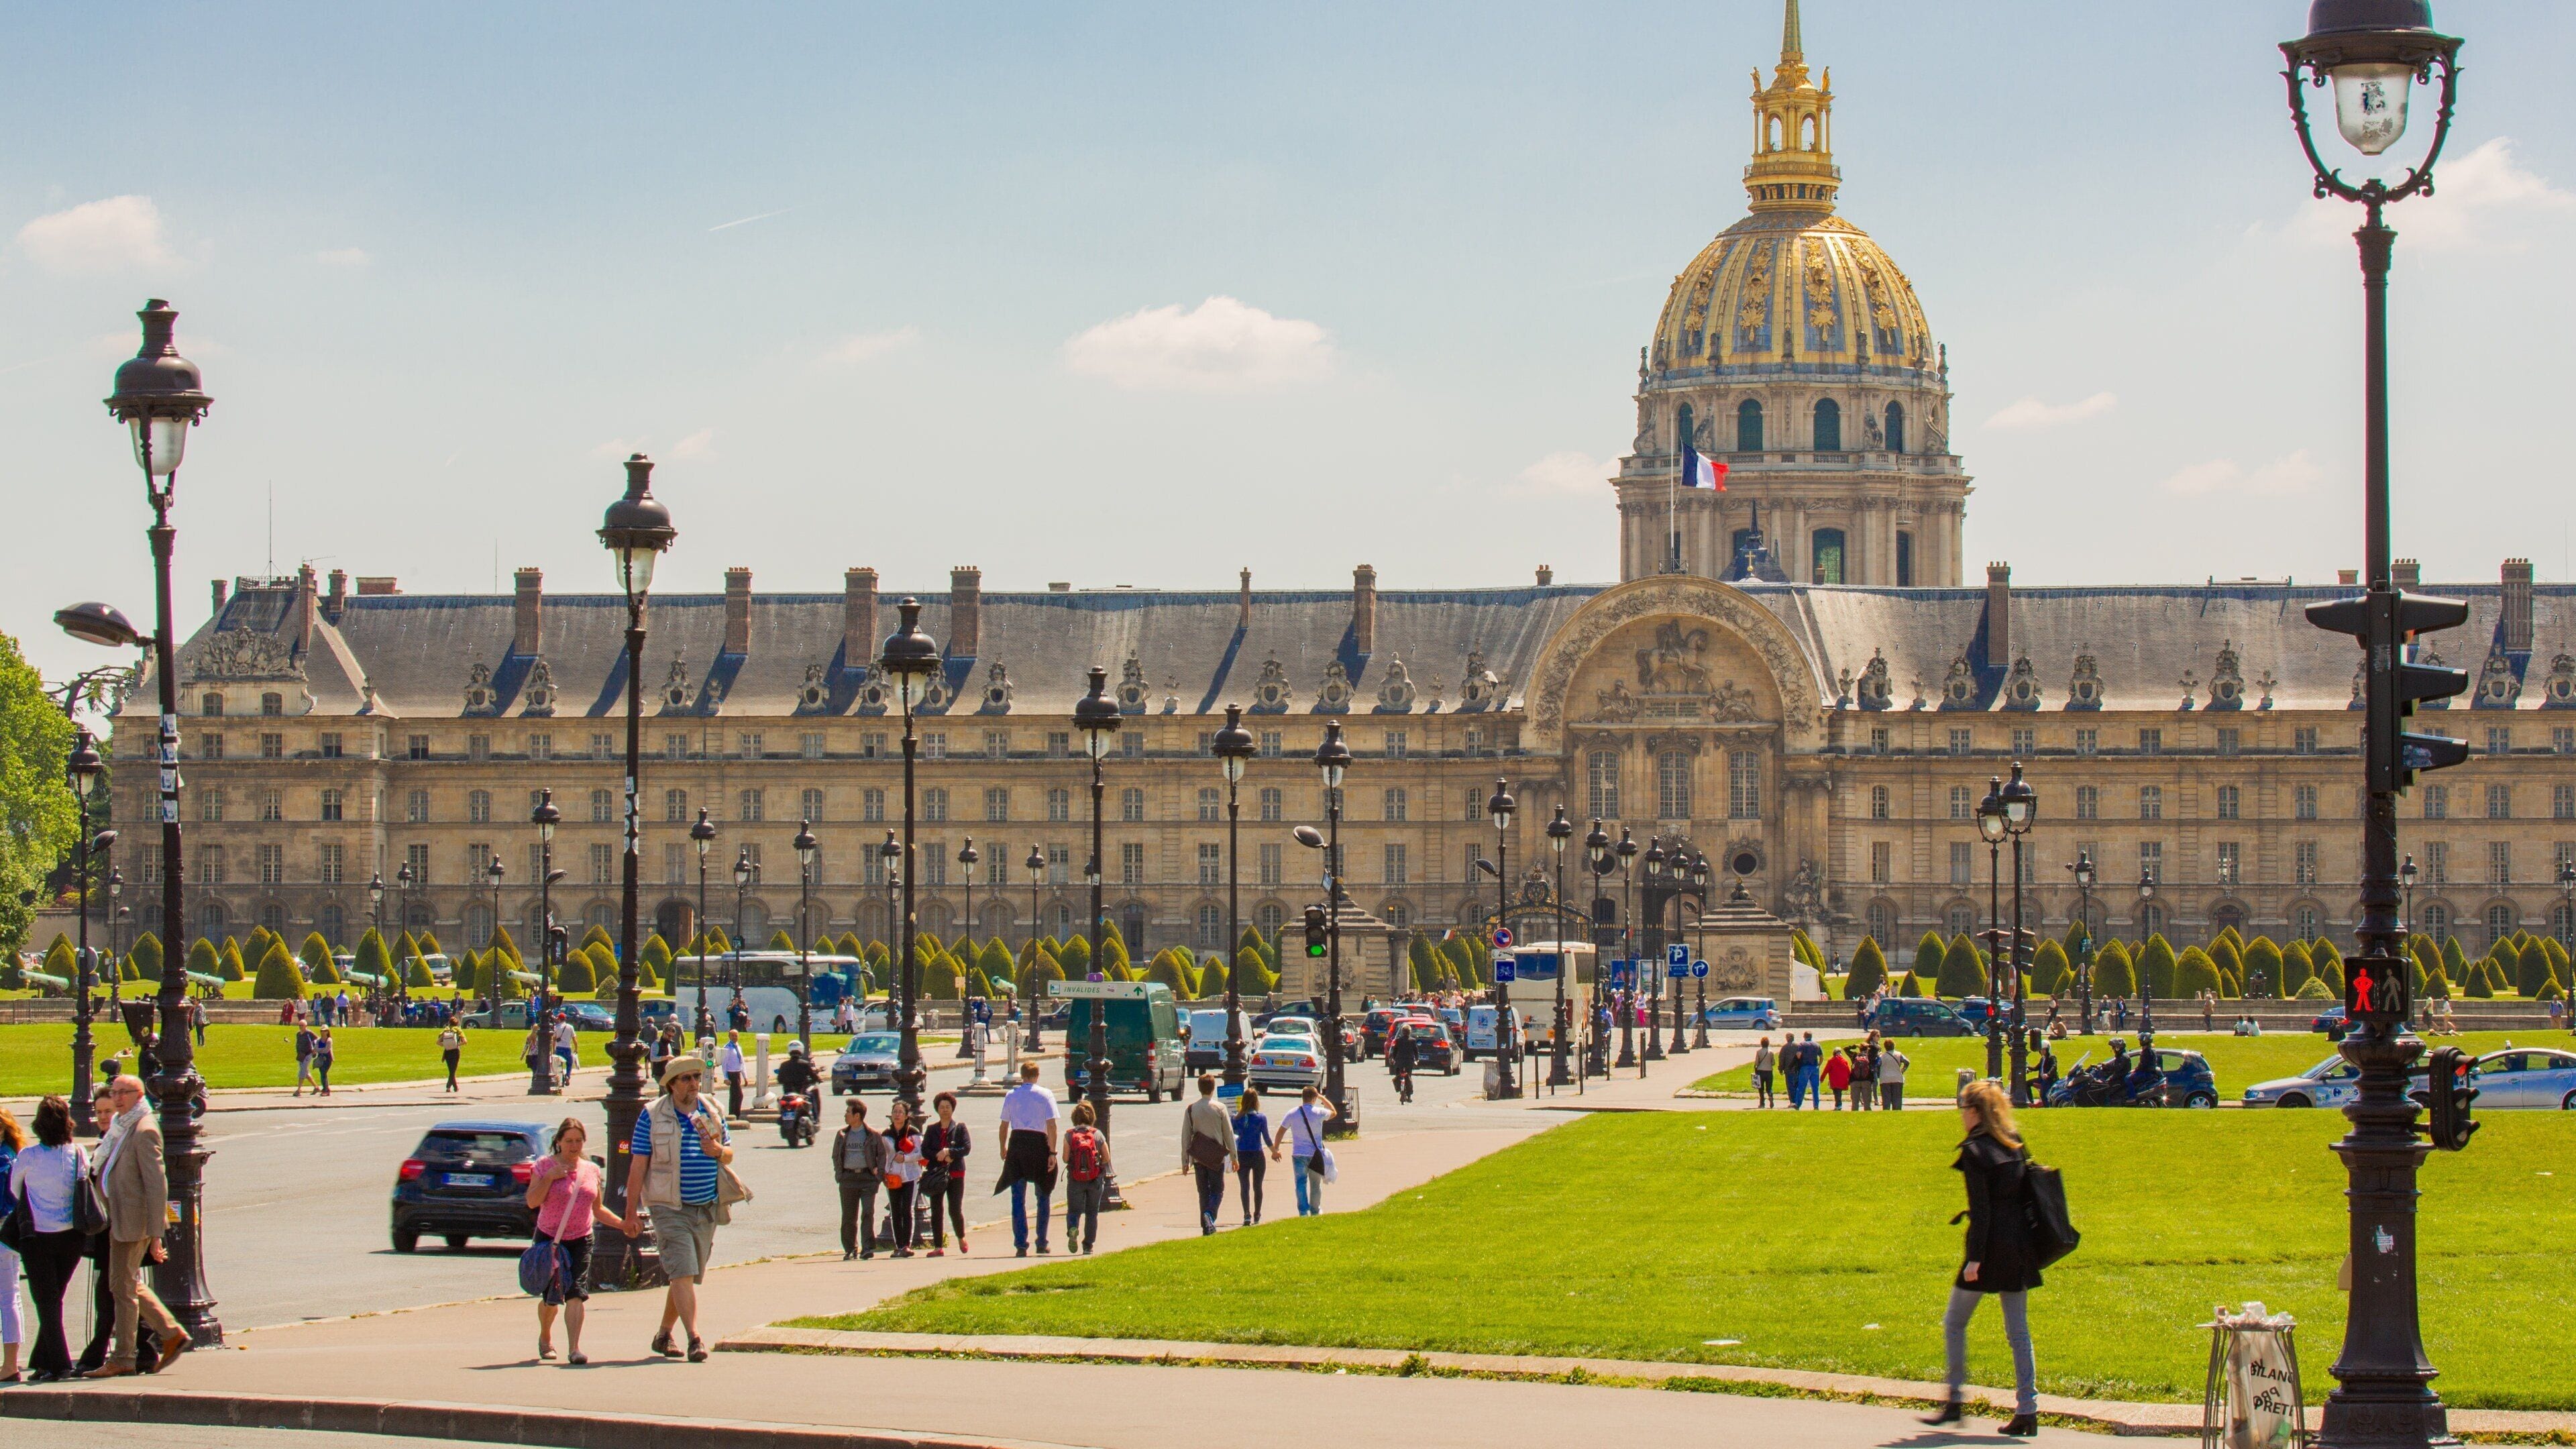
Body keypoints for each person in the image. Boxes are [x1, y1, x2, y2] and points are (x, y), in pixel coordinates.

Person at [1923, 1080, 2043, 1438]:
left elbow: (1982, 1210)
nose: (1961, 1115)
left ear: (1975, 1112)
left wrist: (1975, 1259)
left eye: (1964, 1109)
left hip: (1989, 1247)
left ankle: (1955, 1400)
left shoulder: (1976, 1151)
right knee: (2018, 1332)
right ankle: (2028, 1409)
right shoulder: (2013, 1141)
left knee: (1954, 1323)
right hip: (2019, 1244)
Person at [620, 1053, 735, 1362]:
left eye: (696, 1078)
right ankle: (695, 1338)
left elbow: (729, 1154)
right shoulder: (653, 1115)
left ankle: (663, 1335)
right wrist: (631, 1212)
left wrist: (717, 1150)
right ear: (671, 1085)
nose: (693, 1084)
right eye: (686, 1079)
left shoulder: (712, 1110)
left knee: (686, 1275)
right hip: (668, 1206)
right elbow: (638, 1165)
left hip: (707, 1205)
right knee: (683, 1270)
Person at [86, 1075, 186, 1377]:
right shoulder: (124, 1126)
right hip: (119, 1218)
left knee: (123, 1287)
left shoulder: (143, 1129)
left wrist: (157, 1235)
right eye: (114, 1092)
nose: (116, 1099)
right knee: (124, 1283)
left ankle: (124, 1357)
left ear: (138, 1094)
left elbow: (157, 1186)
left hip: (134, 1221)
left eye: (123, 1093)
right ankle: (170, 1333)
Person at [525, 1117, 623, 1364]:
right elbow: (532, 1202)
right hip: (550, 1240)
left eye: (578, 1140)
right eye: (569, 1141)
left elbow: (598, 1209)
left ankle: (574, 1349)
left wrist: (623, 1224)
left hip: (581, 1239)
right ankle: (546, 1337)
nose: (574, 1145)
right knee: (550, 1298)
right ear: (558, 1142)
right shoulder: (544, 1166)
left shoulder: (590, 1170)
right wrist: (550, 1178)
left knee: (576, 1293)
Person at [9, 1097, 91, 1382]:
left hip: (37, 1237)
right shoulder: (79, 1153)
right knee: (55, 1297)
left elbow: (16, 1189)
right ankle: (42, 1359)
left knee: (47, 1302)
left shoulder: (28, 1157)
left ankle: (60, 1365)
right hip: (72, 1235)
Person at [992, 1061, 1060, 1257]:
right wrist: (1052, 1153)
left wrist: (1003, 1147)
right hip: (1039, 1144)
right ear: (1037, 1076)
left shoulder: (1012, 1095)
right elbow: (1052, 1126)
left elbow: (1004, 1125)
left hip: (1018, 1144)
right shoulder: (1046, 1094)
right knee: (1043, 1194)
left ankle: (1021, 1244)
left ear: (1022, 1076)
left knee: (1017, 1197)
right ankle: (1042, 1241)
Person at [831, 1099, 885, 1260]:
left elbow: (882, 1155)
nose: (845, 1115)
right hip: (848, 1178)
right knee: (849, 1217)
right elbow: (835, 1155)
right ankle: (850, 1249)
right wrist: (839, 1174)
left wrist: (878, 1176)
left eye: (848, 1112)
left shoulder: (872, 1135)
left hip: (867, 1179)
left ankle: (867, 1248)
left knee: (868, 1213)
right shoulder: (842, 1134)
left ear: (857, 1115)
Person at [1181, 1074, 1232, 1236]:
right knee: (1218, 1190)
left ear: (1199, 1088)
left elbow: (1186, 1136)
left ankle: (1206, 1226)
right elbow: (1228, 1134)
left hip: (1199, 1158)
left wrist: (1185, 1161)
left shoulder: (1191, 1109)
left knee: (1203, 1192)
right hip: (1216, 1157)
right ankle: (1210, 1215)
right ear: (1213, 1088)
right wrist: (1235, 1157)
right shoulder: (1220, 1108)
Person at [922, 1091, 971, 1256]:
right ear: (937, 1109)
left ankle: (961, 1237)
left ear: (953, 1109)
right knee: (937, 1210)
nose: (945, 1110)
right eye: (942, 1107)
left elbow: (966, 1148)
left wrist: (950, 1152)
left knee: (955, 1209)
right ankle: (938, 1246)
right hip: (937, 1175)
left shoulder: (960, 1128)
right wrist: (938, 1155)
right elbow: (925, 1150)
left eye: (947, 1107)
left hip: (955, 1173)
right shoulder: (932, 1129)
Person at [1059, 1099, 1110, 1254]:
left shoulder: (1069, 1135)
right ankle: (1088, 1246)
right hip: (1094, 1179)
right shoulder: (1097, 1134)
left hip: (1075, 1179)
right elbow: (1107, 1158)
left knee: (1074, 1210)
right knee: (1092, 1212)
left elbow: (1065, 1158)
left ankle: (1073, 1228)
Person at [1276, 1085, 1333, 1216]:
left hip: (1298, 1153)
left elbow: (1281, 1131)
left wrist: (1276, 1149)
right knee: (1315, 1184)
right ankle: (1315, 1210)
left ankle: (1303, 1212)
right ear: (1314, 1098)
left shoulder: (1293, 1113)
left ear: (1302, 1098)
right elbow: (1334, 1111)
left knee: (1300, 1183)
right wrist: (1322, 1097)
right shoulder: (1319, 1112)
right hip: (1315, 1154)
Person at [881, 1100, 922, 1258]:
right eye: (895, 1112)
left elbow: (921, 1153)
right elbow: (882, 1155)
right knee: (895, 1211)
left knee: (907, 1209)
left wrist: (905, 1158)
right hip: (892, 1177)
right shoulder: (886, 1135)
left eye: (900, 1112)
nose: (897, 1115)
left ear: (906, 1116)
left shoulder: (913, 1132)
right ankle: (898, 1246)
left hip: (910, 1176)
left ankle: (907, 1245)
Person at [0, 1106, 21, 1382]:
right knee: (10, 1297)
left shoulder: (4, 1160)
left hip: (3, 1234)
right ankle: (11, 1362)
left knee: (8, 1298)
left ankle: (10, 1364)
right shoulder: (12, 1156)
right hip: (9, 1233)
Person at [1232, 1087, 1271, 1226]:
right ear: (1256, 1102)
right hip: (1257, 1154)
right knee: (1258, 1186)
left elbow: (1231, 1137)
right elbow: (1266, 1137)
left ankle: (1246, 1214)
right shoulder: (1261, 1118)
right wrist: (1274, 1151)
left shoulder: (1236, 1119)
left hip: (1242, 1154)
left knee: (1244, 1186)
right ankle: (1257, 1214)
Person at [1385, 1023, 1416, 1104]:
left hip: (1399, 1062)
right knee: (1409, 1077)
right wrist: (1417, 1060)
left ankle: (1399, 1089)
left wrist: (1393, 1059)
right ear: (1409, 1032)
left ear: (1402, 1032)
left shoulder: (1398, 1040)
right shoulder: (1413, 1041)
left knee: (1398, 1076)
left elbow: (1395, 1051)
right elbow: (1415, 1052)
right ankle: (1409, 1096)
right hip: (1409, 1062)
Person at [719, 1032, 747, 1120]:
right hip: (731, 1074)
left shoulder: (738, 1047)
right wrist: (726, 1078)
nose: (735, 1037)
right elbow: (724, 1064)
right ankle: (734, 1114)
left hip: (738, 1073)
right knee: (739, 1095)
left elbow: (742, 1063)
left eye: (736, 1036)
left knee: (735, 1095)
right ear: (729, 1036)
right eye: (733, 1036)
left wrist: (745, 1077)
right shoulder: (727, 1048)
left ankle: (734, 1114)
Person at [1879, 1041, 1910, 1110]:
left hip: (1885, 1080)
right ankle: (1897, 1112)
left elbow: (1877, 1066)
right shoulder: (1898, 1055)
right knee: (1897, 1100)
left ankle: (1886, 1113)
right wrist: (1902, 1070)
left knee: (1886, 1100)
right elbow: (1907, 1062)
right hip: (1897, 1079)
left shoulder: (1882, 1056)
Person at [437, 1020, 466, 1092]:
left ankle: (451, 1087)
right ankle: (451, 1087)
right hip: (455, 1052)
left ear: (449, 1023)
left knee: (451, 1070)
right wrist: (457, 1045)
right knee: (453, 1071)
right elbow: (465, 1041)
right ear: (457, 1023)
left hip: (447, 1052)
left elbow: (438, 1042)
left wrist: (445, 1045)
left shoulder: (446, 1030)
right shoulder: (458, 1030)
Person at [1823, 1044, 1853, 1110]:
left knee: (1837, 1093)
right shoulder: (1845, 1061)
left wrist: (1822, 1079)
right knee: (1839, 1093)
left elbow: (1826, 1071)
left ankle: (1839, 1105)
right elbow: (1848, 1071)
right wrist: (1851, 1080)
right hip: (1843, 1081)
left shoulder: (1831, 1061)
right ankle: (1838, 1105)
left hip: (1835, 1081)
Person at [294, 1022, 318, 1097]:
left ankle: (299, 1090)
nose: (300, 1027)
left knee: (302, 1071)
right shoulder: (298, 1034)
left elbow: (317, 1040)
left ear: (306, 1026)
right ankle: (316, 1087)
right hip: (301, 1055)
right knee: (306, 1072)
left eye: (302, 1025)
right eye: (299, 1025)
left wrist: (315, 1049)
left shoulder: (309, 1033)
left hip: (308, 1054)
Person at [1751, 1036, 1776, 1108]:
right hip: (1769, 1071)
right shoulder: (1771, 1052)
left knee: (1761, 1088)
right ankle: (1770, 1095)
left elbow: (1756, 1063)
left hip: (1761, 1072)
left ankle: (1762, 1103)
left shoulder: (1759, 1052)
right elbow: (1773, 1063)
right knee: (1769, 1087)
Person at [555, 1014, 580, 1083]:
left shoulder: (556, 1028)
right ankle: (568, 1076)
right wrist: (576, 1048)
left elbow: (554, 1039)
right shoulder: (570, 1027)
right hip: (567, 1048)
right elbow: (574, 1039)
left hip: (559, 1048)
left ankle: (561, 1077)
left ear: (559, 1019)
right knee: (569, 1063)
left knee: (559, 1065)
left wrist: (553, 1049)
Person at [313, 1026, 336, 1095]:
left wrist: (319, 1050)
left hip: (328, 1059)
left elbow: (326, 1050)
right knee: (322, 1073)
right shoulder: (319, 1040)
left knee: (324, 1073)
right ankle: (325, 1088)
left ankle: (326, 1090)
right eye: (322, 1031)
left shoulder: (329, 1040)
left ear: (328, 1031)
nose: (323, 1032)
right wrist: (320, 1050)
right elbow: (316, 1048)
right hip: (321, 1059)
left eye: (325, 1031)